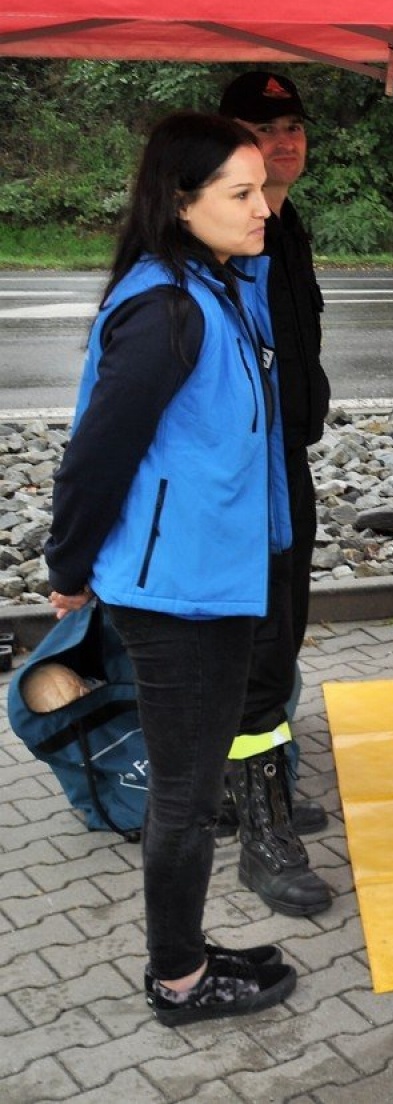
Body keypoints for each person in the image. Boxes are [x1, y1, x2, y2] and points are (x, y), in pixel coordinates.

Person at [44, 111, 299, 1025]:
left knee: (195, 783)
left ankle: (184, 949)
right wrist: (69, 567)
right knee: (186, 797)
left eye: (262, 187)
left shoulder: (213, 283)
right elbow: (97, 453)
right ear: (181, 202)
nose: (263, 207)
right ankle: (180, 979)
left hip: (212, 579)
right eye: (241, 192)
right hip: (176, 594)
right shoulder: (166, 309)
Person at [217, 70, 334, 916]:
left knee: (283, 630)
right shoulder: (224, 242)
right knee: (255, 647)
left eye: (292, 125)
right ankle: (262, 837)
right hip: (237, 475)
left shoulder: (284, 228)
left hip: (286, 460)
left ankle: (248, 794)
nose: (283, 140)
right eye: (263, 129)